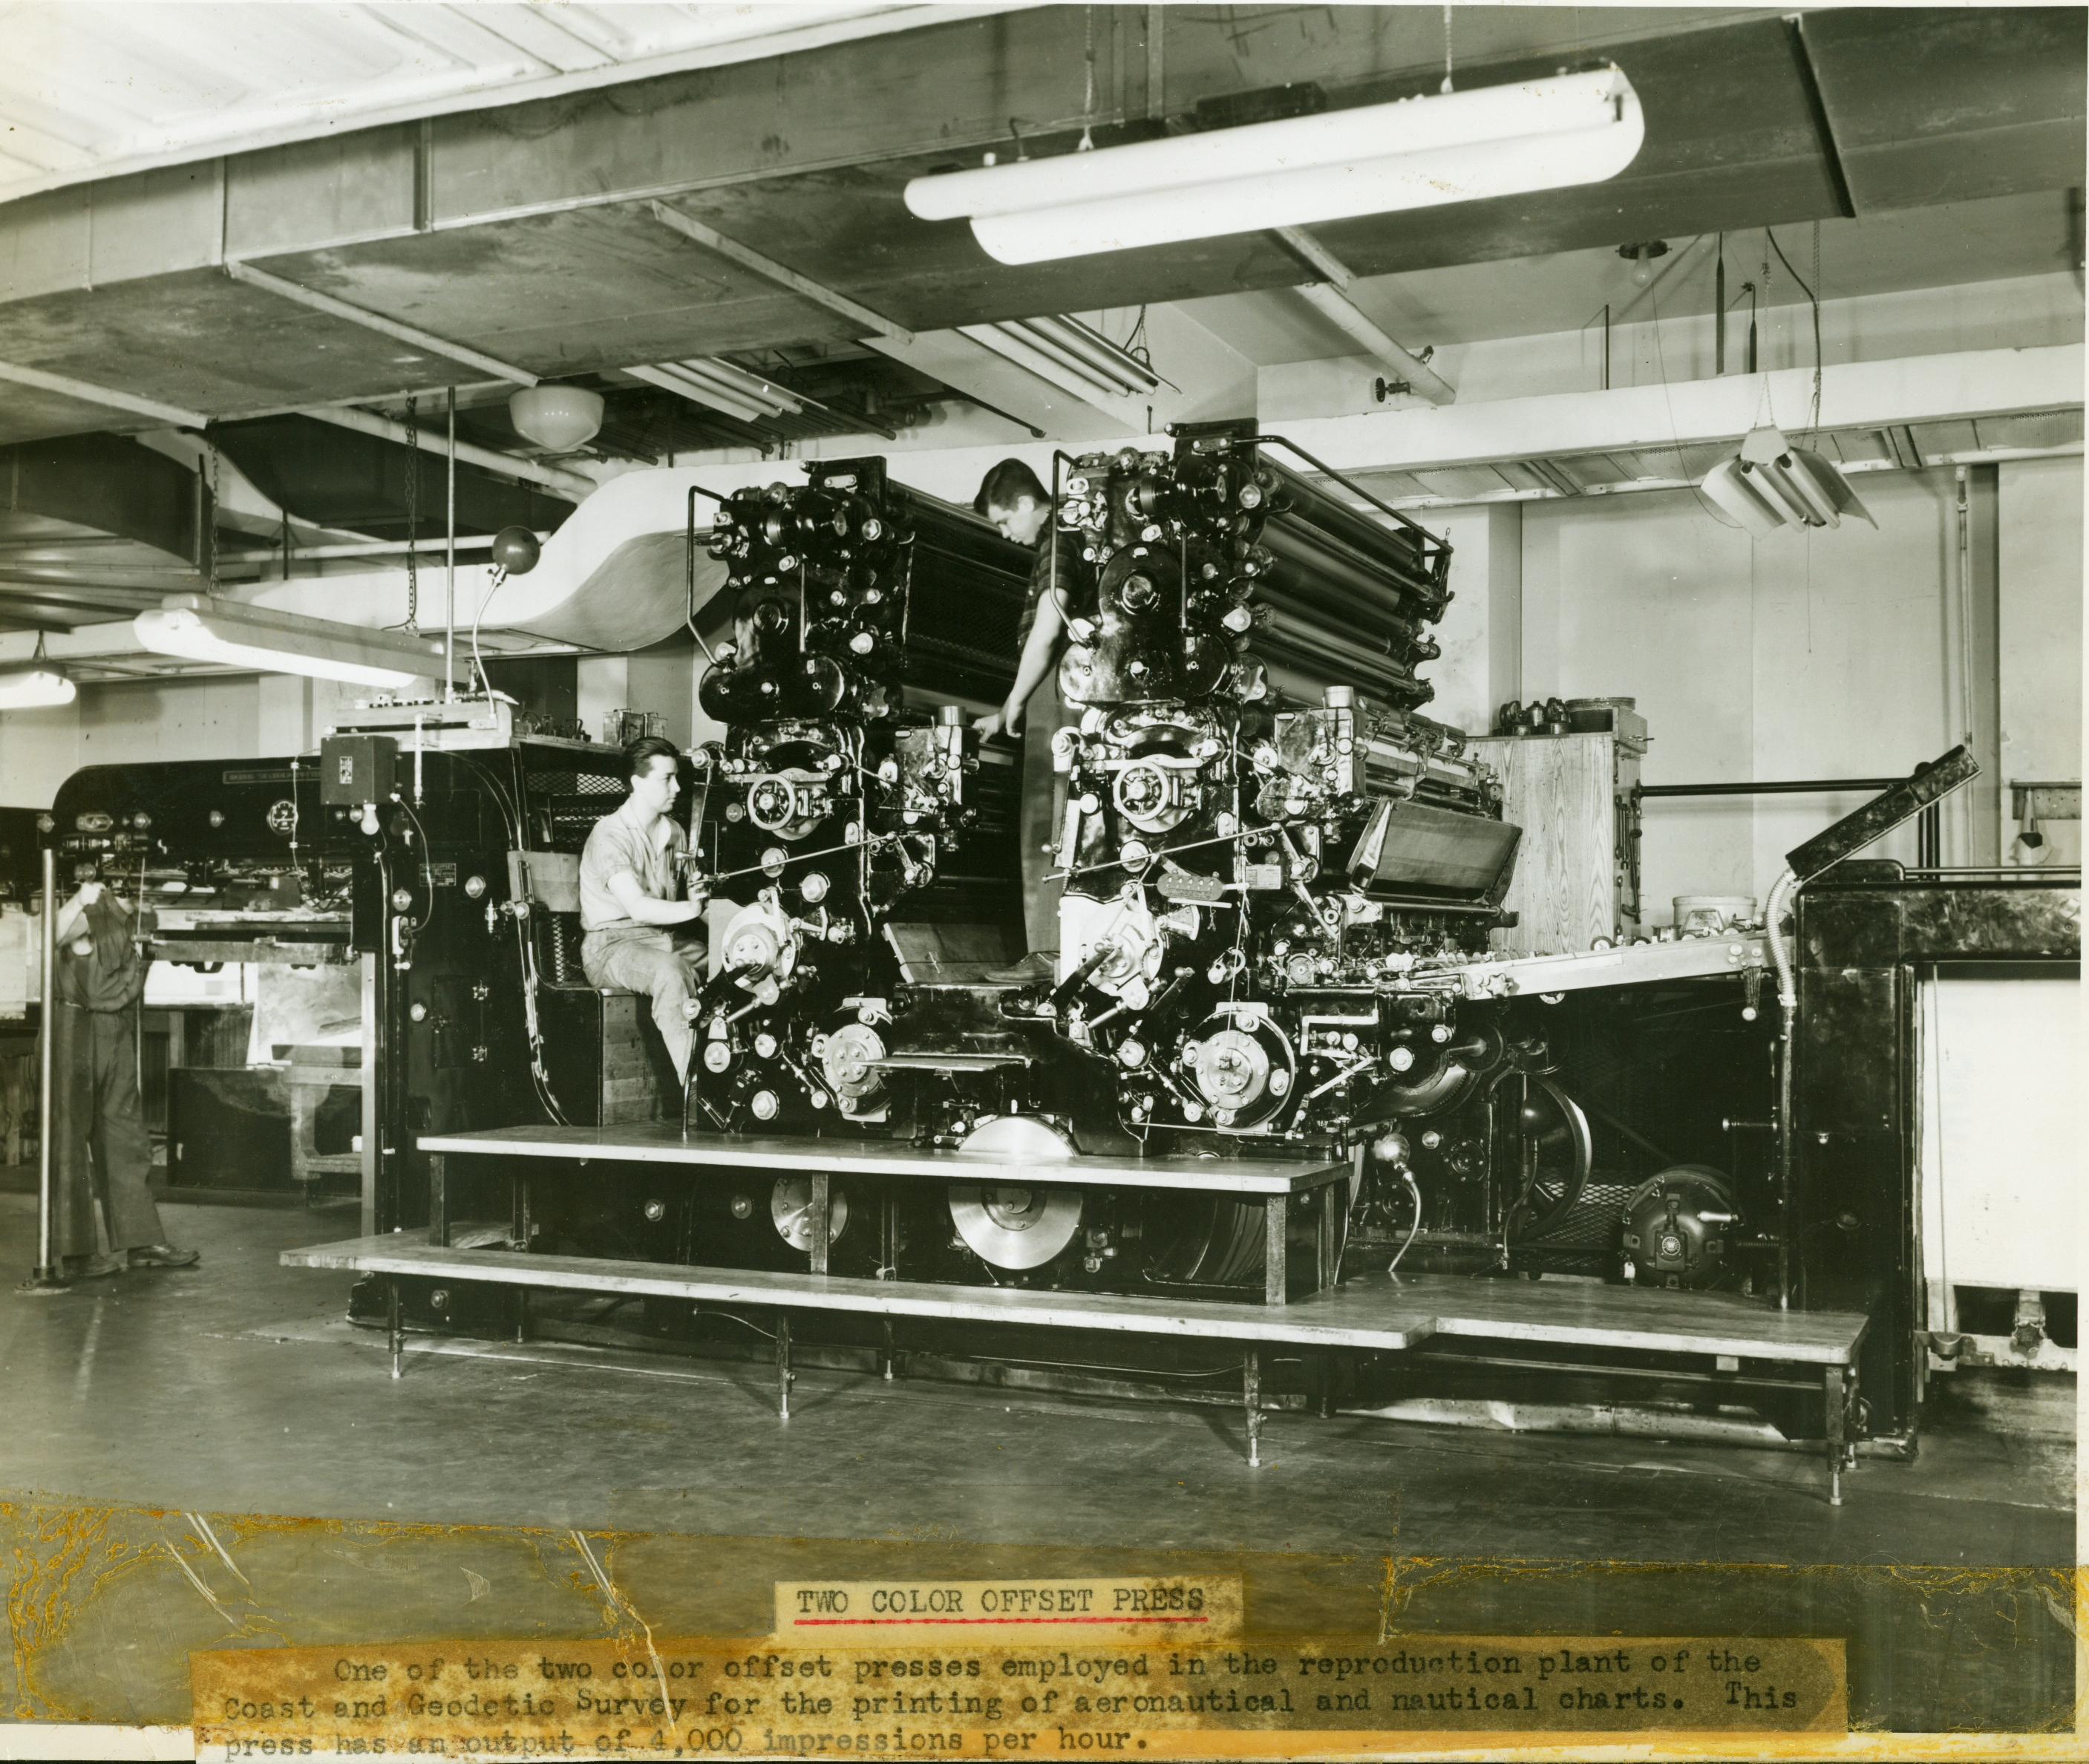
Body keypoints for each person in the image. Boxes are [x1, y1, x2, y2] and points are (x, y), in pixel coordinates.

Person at [972, 459, 1085, 983]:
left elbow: (1050, 620)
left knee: (1047, 819)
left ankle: (1047, 950)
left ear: (1024, 504)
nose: (1006, 534)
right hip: (1076, 684)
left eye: (1002, 521)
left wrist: (1016, 701)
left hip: (1058, 686)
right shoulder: (1082, 528)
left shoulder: (1057, 535)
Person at [50, 878, 196, 1277]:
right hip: (75, 1029)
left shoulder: (135, 921)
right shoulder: (89, 916)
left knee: (125, 1136)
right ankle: (74, 1253)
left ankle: (142, 1242)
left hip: (116, 1030)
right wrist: (80, 900)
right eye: (128, 887)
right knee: (68, 1140)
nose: (139, 894)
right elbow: (49, 935)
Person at [579, 735, 710, 1087]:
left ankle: (733, 1072)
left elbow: (690, 901)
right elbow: (637, 906)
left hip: (664, 940)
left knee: (738, 965)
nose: (678, 787)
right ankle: (696, 1092)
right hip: (611, 947)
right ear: (637, 782)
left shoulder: (676, 833)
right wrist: (691, 906)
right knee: (671, 974)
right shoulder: (610, 835)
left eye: (677, 777)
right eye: (666, 778)